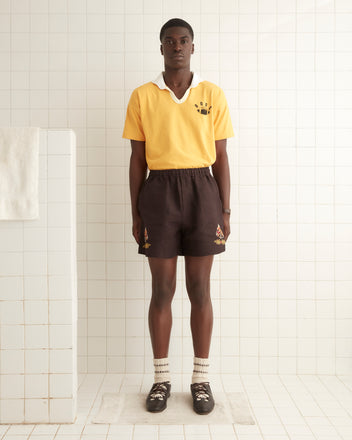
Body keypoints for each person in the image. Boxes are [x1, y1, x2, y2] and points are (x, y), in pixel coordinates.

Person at [122, 18, 234, 415]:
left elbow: (220, 157)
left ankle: (201, 380)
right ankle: (160, 379)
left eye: (183, 40)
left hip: (203, 191)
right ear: (161, 48)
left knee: (200, 289)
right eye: (169, 41)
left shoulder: (212, 94)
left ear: (192, 46)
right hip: (159, 192)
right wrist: (136, 211)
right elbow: (137, 160)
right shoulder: (142, 96)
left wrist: (224, 209)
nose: (177, 47)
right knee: (162, 290)